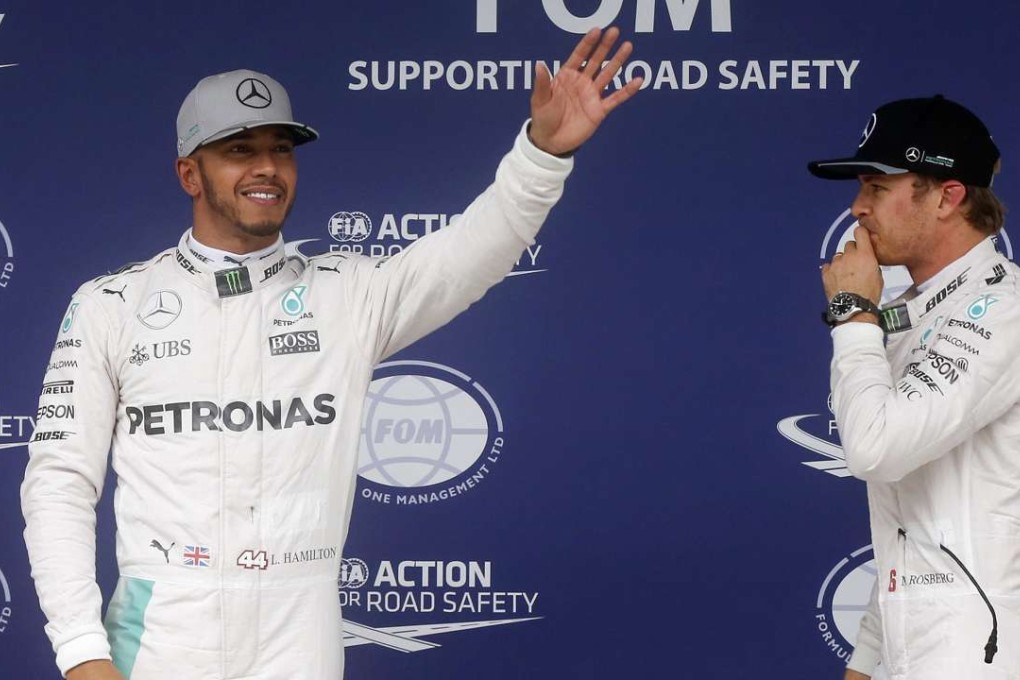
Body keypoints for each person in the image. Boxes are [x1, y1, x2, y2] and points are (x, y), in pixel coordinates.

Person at [21, 28, 643, 680]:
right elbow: (59, 486)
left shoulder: (350, 293)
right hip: (158, 638)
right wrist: (81, 652)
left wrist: (541, 155)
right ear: (189, 173)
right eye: (239, 151)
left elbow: (469, 254)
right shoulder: (110, 305)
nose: (266, 167)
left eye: (280, 151)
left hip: (301, 640)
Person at [810, 95, 1017, 680]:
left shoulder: (1003, 310)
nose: (857, 207)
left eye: (876, 187)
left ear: (948, 196)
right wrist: (867, 661)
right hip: (917, 652)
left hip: (985, 658)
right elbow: (916, 529)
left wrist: (852, 314)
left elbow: (876, 450)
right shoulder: (910, 311)